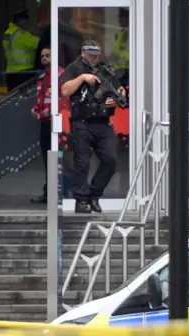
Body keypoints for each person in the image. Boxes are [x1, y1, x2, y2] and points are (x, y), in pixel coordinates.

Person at [60, 40, 126, 213]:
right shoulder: (74, 68)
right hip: (82, 122)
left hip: (103, 123)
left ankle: (94, 195)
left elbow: (120, 90)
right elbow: (65, 90)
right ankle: (81, 201)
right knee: (81, 162)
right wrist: (82, 78)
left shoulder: (104, 68)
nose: (94, 57)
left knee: (110, 160)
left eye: (96, 54)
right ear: (83, 53)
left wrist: (116, 99)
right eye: (90, 54)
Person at [30, 47, 67, 203]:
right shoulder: (43, 77)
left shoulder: (61, 74)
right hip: (45, 123)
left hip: (58, 122)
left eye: (48, 55)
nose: (44, 58)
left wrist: (51, 111)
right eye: (42, 56)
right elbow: (41, 97)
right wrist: (35, 109)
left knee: (59, 158)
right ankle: (49, 193)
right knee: (47, 158)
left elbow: (63, 97)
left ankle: (61, 192)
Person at [3, 9, 40, 91]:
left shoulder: (8, 32)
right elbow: (38, 43)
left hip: (10, 72)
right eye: (26, 20)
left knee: (12, 97)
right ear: (20, 20)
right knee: (24, 98)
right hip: (24, 72)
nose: (27, 22)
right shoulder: (22, 34)